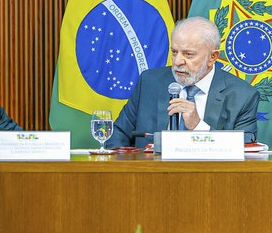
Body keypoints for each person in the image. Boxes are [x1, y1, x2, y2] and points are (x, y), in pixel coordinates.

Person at [108, 17, 260, 148]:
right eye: (174, 52)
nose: (178, 62)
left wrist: (198, 126)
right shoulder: (149, 82)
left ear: (212, 57)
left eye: (189, 54)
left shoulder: (242, 95)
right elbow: (118, 135)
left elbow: (243, 150)